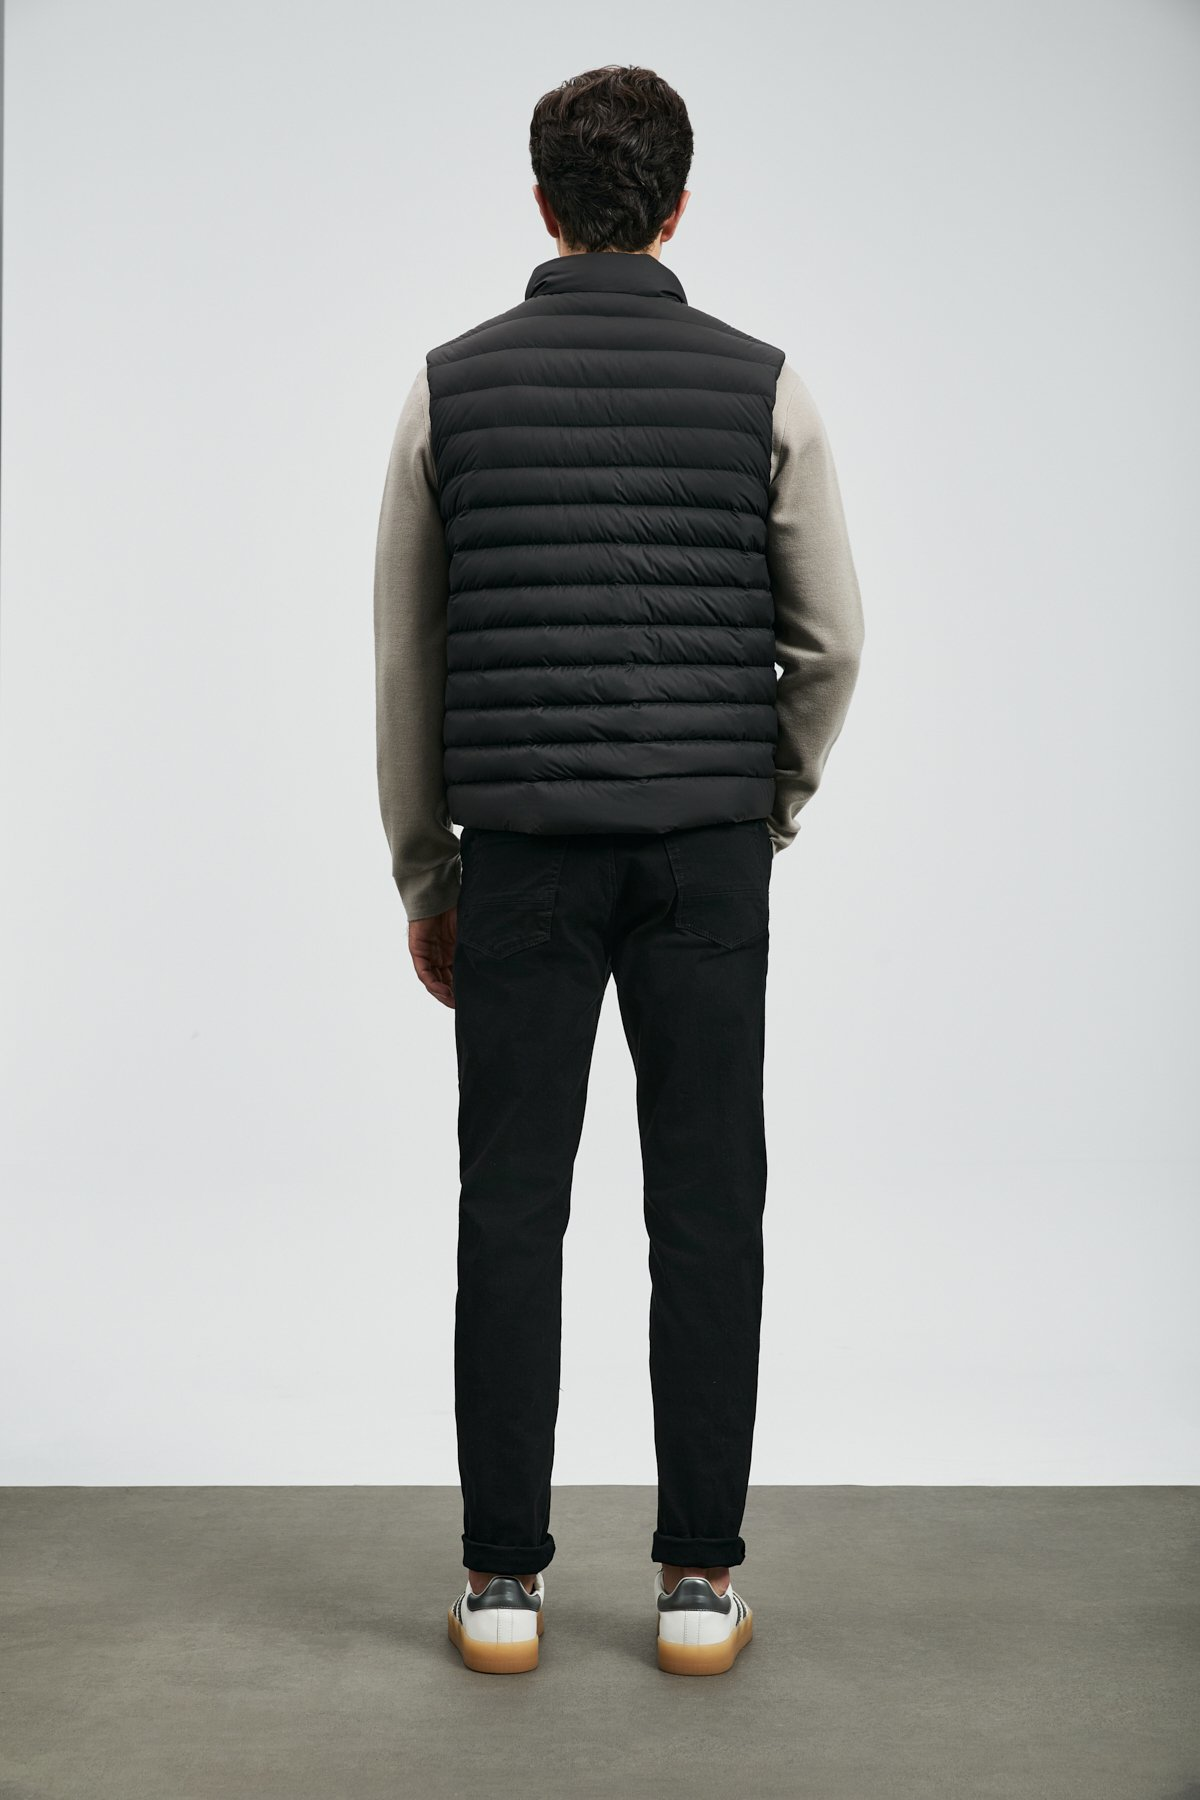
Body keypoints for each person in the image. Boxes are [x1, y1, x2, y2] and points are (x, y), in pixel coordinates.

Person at [373, 64, 864, 1677]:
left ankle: (502, 1589)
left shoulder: (447, 389)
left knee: (512, 1207)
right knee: (707, 1207)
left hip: (517, 857)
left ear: (541, 203)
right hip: (703, 858)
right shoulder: (765, 388)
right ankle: (697, 1587)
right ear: (676, 205)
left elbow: (409, 658)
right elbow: (831, 643)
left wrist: (424, 873)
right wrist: (762, 804)